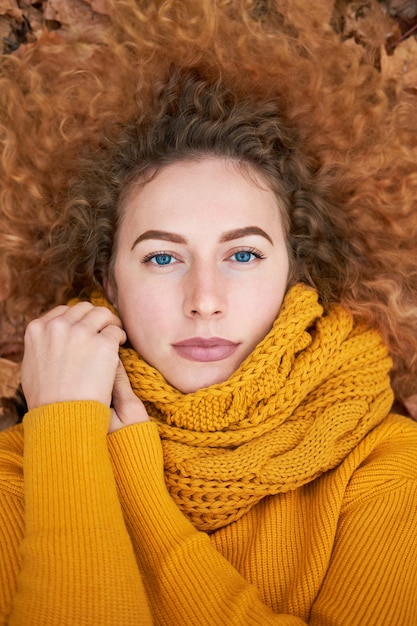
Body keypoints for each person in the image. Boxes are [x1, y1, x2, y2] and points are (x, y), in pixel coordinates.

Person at [0, 63, 416, 625]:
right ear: (109, 281)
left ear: (295, 273)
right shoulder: (27, 471)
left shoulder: (391, 465)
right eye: (162, 257)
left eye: (243, 255)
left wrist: (137, 494)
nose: (205, 299)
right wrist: (66, 435)